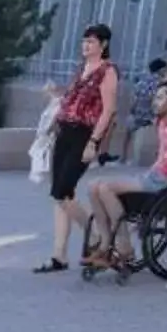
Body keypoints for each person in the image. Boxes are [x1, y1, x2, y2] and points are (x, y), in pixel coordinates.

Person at [38, 25, 120, 273]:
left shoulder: (108, 71)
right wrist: (55, 98)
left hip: (84, 134)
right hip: (65, 131)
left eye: (92, 42)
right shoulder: (81, 69)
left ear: (103, 45)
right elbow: (71, 100)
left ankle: (95, 236)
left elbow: (108, 110)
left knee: (61, 191)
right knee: (61, 194)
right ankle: (59, 254)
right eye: (84, 41)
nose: (86, 46)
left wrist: (94, 142)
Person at [88, 76, 167, 266]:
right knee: (93, 186)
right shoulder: (160, 122)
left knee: (105, 188)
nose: (155, 101)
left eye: (161, 97)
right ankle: (105, 243)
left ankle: (124, 247)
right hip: (153, 176)